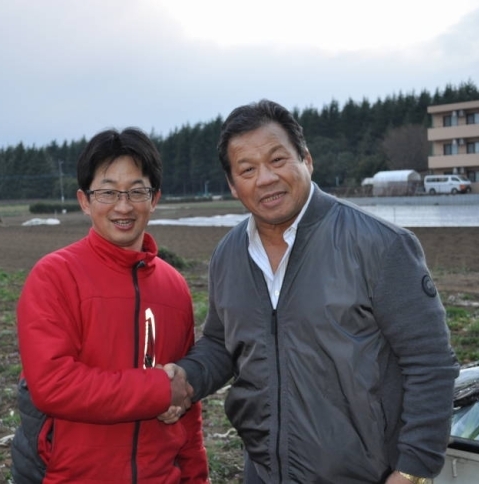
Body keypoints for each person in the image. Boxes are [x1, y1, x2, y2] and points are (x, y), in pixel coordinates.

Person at [163, 100, 460, 483]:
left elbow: (430, 364)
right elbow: (223, 344)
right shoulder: (229, 255)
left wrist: (412, 472)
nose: (266, 178)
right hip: (264, 473)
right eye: (247, 169)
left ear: (306, 160)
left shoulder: (380, 246)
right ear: (233, 185)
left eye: (277, 159)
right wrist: (187, 379)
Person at [11, 127, 208, 483]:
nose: (123, 206)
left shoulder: (174, 287)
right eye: (108, 192)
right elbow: (53, 384)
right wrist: (158, 390)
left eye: (137, 191)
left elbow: (186, 406)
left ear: (155, 199)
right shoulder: (55, 276)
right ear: (85, 201)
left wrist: (197, 477)